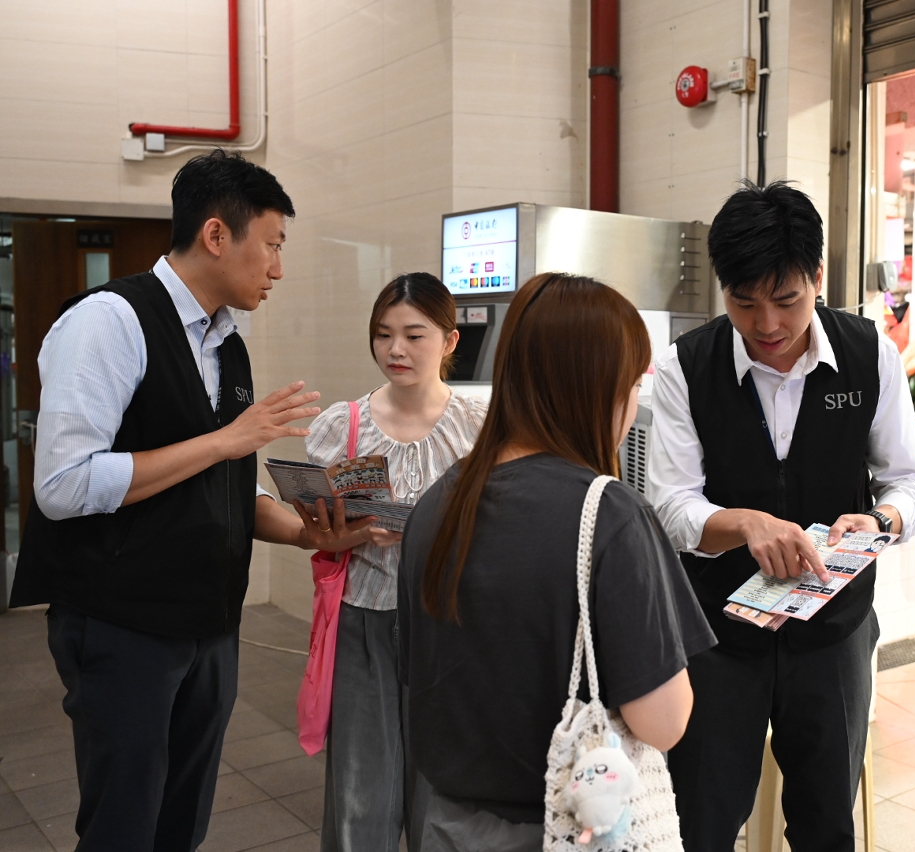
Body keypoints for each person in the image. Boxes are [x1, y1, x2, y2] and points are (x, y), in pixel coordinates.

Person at [9, 149, 376, 851]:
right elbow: (63, 485)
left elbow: (223, 483)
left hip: (208, 624)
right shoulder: (109, 320)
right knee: (124, 825)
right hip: (121, 623)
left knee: (182, 822)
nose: (278, 268)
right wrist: (225, 440)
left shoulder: (226, 341)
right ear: (215, 235)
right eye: (271, 245)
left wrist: (305, 532)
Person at [650, 181, 915, 852]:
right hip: (718, 635)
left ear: (818, 279)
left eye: (787, 300)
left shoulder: (870, 356)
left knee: (825, 823)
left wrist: (880, 521)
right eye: (744, 303)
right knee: (702, 822)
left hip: (833, 632)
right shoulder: (686, 367)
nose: (767, 324)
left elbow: (908, 482)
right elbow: (671, 503)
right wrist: (744, 524)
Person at [398, 272, 717, 851]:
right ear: (598, 389)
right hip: (567, 830)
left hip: (445, 824)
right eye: (632, 384)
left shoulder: (438, 504)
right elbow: (664, 722)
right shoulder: (610, 515)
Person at [305, 273, 486, 852]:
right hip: (364, 618)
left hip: (450, 623)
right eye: (383, 335)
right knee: (361, 793)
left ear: (450, 340)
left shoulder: (480, 427)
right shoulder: (345, 425)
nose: (396, 349)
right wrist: (351, 531)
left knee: (445, 791)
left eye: (414, 334)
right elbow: (319, 533)